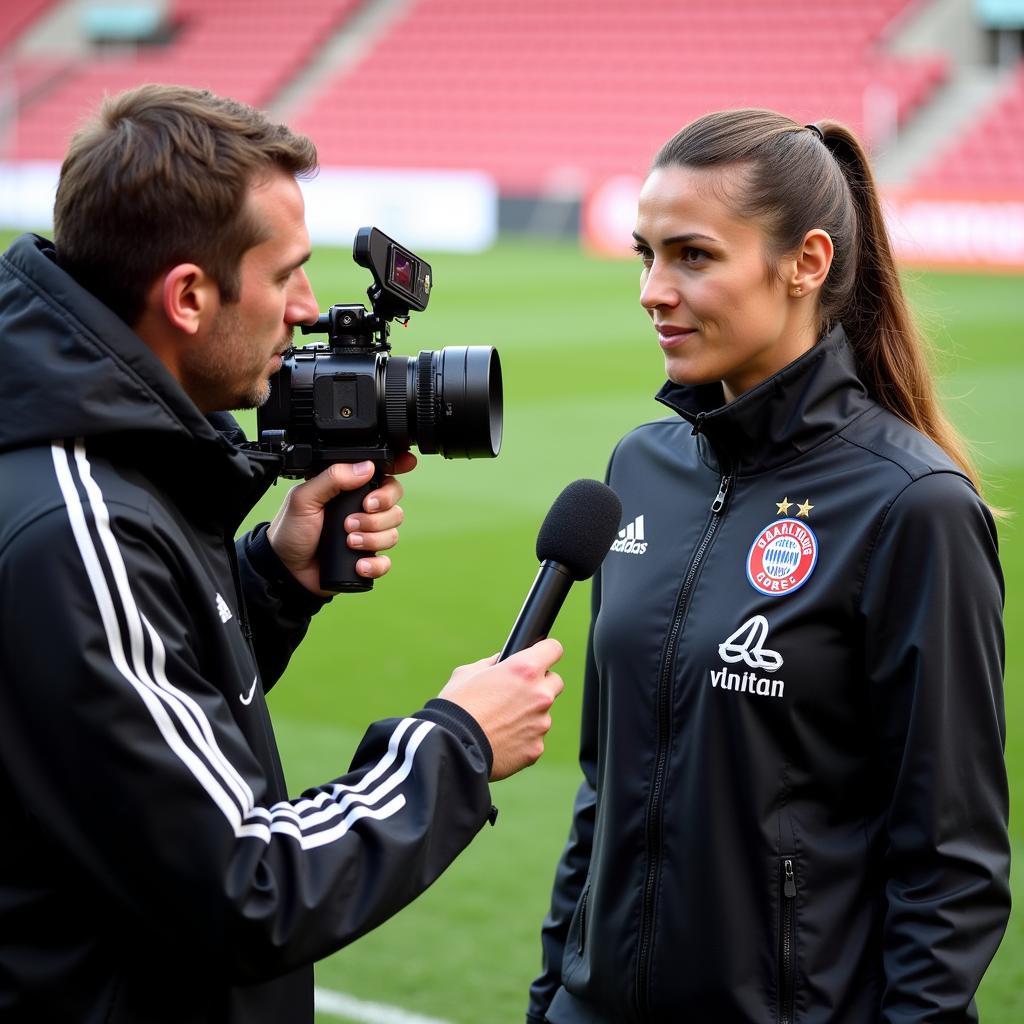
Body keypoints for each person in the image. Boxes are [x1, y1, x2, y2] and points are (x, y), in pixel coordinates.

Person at [0, 83, 564, 1024]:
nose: (309, 309)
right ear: (187, 295)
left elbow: (118, 737)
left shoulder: (109, 473)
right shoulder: (82, 524)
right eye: (286, 274)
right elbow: (241, 884)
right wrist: (456, 744)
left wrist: (270, 583)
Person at [528, 109, 1009, 1024]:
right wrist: (554, 995)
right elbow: (604, 790)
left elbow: (950, 865)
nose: (652, 289)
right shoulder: (639, 467)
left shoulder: (913, 506)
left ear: (807, 263)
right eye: (645, 254)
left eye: (693, 256)